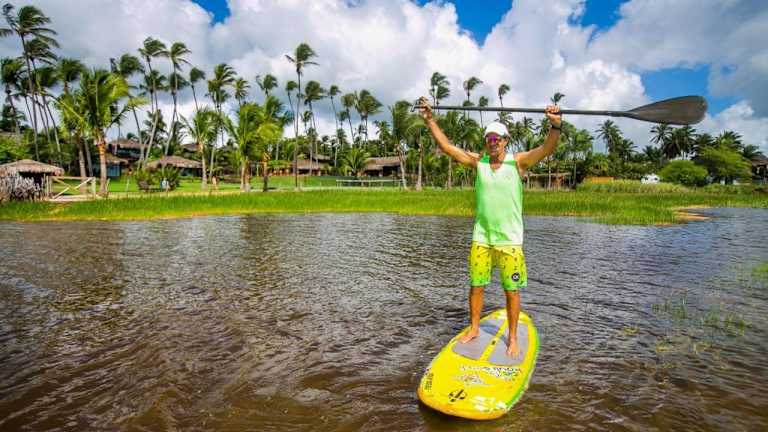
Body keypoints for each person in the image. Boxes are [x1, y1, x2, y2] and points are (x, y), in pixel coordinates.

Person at [418, 97, 562, 357]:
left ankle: (513, 338)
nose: (492, 142)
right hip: (482, 238)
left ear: (506, 140)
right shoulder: (479, 162)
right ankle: (474, 328)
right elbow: (448, 147)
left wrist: (555, 125)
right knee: (476, 286)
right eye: (489, 139)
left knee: (512, 290)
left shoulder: (518, 162)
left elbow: (547, 148)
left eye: (497, 138)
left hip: (510, 240)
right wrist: (430, 120)